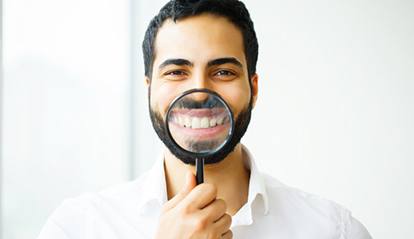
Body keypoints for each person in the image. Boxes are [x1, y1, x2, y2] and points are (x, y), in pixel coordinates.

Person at [38, 0, 372, 238]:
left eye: (223, 71)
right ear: (149, 89)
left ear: (253, 89)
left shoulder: (334, 231)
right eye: (177, 71)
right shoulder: (77, 228)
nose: (199, 91)